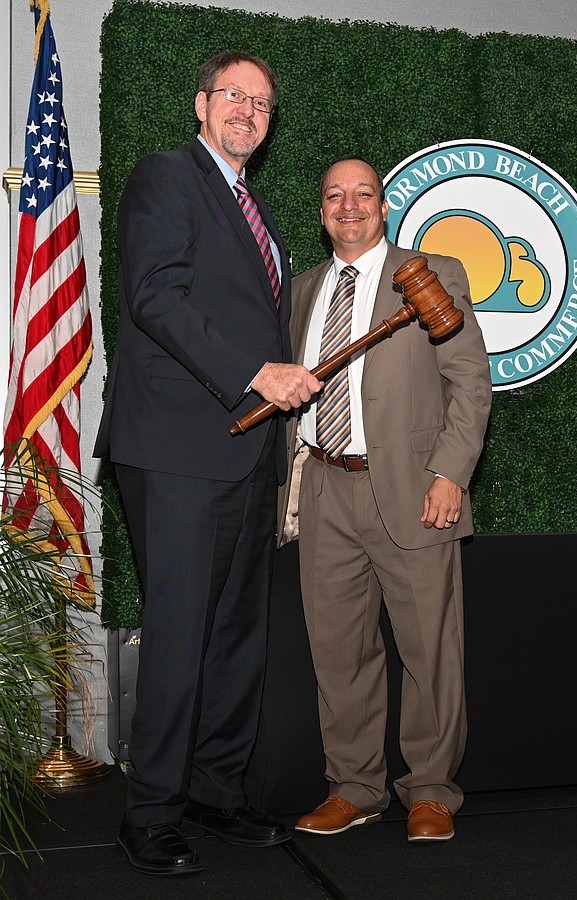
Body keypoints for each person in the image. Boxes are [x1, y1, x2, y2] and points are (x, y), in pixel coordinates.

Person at [94, 51, 322, 876]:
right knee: (182, 633)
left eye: (261, 103)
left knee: (236, 636)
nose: (247, 111)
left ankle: (214, 793)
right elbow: (155, 297)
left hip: (249, 450)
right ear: (201, 104)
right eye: (234, 95)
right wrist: (256, 373)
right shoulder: (166, 177)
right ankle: (152, 812)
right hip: (178, 452)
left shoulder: (257, 209)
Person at [280, 156, 492, 842]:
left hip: (413, 487)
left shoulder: (430, 274)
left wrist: (450, 473)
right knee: (338, 650)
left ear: (384, 205)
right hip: (324, 487)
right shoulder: (302, 290)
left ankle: (430, 790)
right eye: (334, 196)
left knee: (429, 649)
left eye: (363, 194)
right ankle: (355, 787)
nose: (349, 206)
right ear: (321, 212)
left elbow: (470, 382)